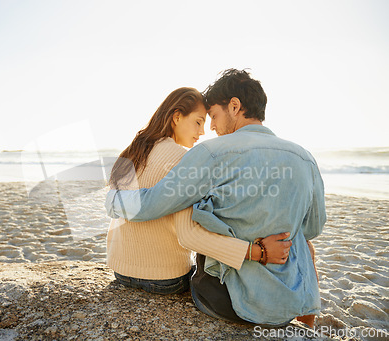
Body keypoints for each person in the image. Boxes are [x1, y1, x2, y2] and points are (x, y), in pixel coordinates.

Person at [106, 69, 326, 327]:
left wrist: (113, 200)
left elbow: (153, 204)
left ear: (234, 106)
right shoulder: (305, 157)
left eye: (213, 116)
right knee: (303, 243)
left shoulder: (209, 154)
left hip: (226, 299)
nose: (210, 127)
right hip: (287, 300)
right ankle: (307, 326)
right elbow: (313, 227)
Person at [107, 87, 292, 296]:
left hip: (120, 270)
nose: (203, 131)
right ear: (177, 117)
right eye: (198, 121)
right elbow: (190, 235)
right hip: (163, 278)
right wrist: (256, 252)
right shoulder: (182, 159)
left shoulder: (137, 148)